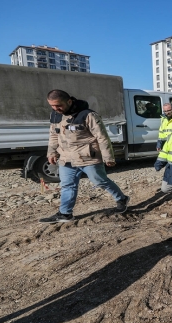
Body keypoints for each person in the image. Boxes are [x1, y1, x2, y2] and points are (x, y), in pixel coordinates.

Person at [40, 90, 130, 223]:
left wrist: (108, 157)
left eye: (58, 105)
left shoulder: (88, 115)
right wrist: (52, 152)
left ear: (69, 101)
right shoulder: (55, 116)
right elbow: (54, 135)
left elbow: (102, 137)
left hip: (88, 158)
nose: (55, 109)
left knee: (100, 181)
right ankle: (65, 214)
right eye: (52, 106)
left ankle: (121, 199)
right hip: (66, 158)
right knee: (67, 185)